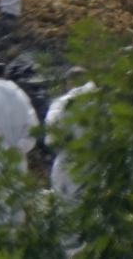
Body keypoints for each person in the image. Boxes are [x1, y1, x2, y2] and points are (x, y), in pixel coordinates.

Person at [45, 67, 96, 201]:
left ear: (69, 83)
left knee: (68, 208)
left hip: (69, 163)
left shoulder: (61, 105)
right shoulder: (101, 103)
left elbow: (52, 139)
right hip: (97, 163)